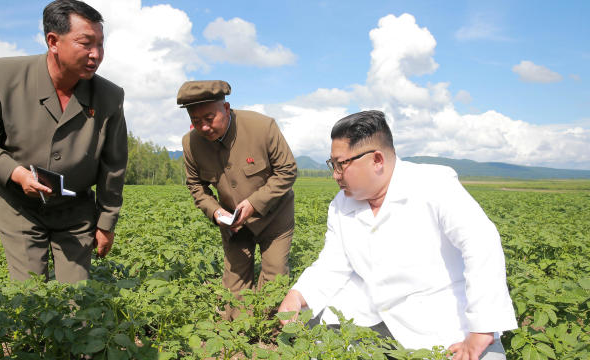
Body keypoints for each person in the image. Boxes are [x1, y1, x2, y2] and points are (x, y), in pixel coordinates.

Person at [278, 110, 517, 359]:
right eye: (332, 165)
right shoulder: (342, 204)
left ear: (377, 160)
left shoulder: (433, 184)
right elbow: (332, 263)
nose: (335, 175)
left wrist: (483, 328)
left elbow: (480, 243)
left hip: (440, 321)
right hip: (370, 317)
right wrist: (298, 294)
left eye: (341, 164)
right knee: (316, 344)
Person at [0, 0, 127, 283]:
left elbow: (113, 166)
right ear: (53, 41)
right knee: (30, 296)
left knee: (76, 299)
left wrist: (106, 223)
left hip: (76, 213)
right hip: (19, 207)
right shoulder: (4, 77)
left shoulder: (109, 97)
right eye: (86, 43)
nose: (96, 54)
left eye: (101, 44)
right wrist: (16, 173)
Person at [179, 80, 297, 316]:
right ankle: (240, 334)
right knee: (234, 293)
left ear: (226, 108)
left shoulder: (262, 128)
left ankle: (272, 333)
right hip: (233, 223)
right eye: (196, 121)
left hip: (275, 217)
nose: (203, 127)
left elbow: (287, 170)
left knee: (274, 277)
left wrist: (253, 204)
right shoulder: (191, 144)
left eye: (209, 118)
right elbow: (196, 186)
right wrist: (216, 212)